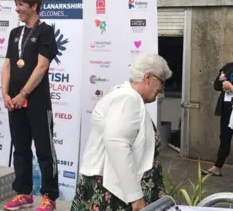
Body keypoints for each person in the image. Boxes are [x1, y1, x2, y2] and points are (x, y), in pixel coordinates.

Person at [71, 53, 172, 211]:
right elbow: (117, 145)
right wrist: (135, 197)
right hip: (114, 192)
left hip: (114, 187)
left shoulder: (126, 96)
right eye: (162, 82)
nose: (161, 89)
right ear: (148, 78)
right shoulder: (128, 98)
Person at [1, 0, 59, 211]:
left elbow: (42, 66)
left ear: (33, 6)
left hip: (36, 100)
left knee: (44, 149)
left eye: (21, 4)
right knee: (21, 148)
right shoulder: (15, 33)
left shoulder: (45, 31)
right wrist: (5, 93)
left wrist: (23, 93)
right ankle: (23, 193)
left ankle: (49, 196)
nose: (17, 9)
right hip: (13, 101)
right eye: (16, 4)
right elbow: (7, 64)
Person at [202, 61, 233, 177]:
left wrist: (230, 86)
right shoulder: (229, 67)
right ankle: (217, 167)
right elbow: (216, 86)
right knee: (224, 137)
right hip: (227, 107)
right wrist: (221, 76)